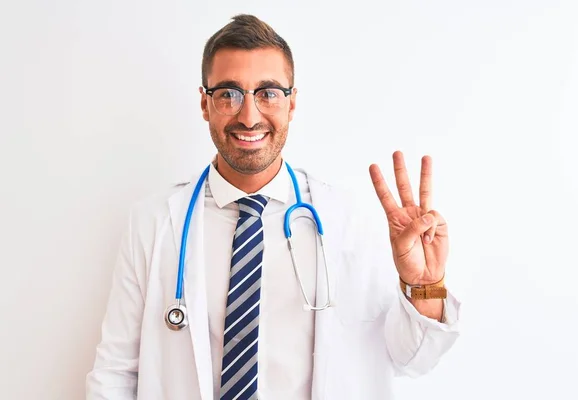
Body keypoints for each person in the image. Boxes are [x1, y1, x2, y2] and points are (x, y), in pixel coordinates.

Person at [86, 13, 461, 400]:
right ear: (204, 103)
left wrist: (424, 286)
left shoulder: (348, 219)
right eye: (229, 93)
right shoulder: (153, 223)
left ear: (292, 103)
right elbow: (115, 373)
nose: (249, 116)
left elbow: (413, 360)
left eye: (267, 92)